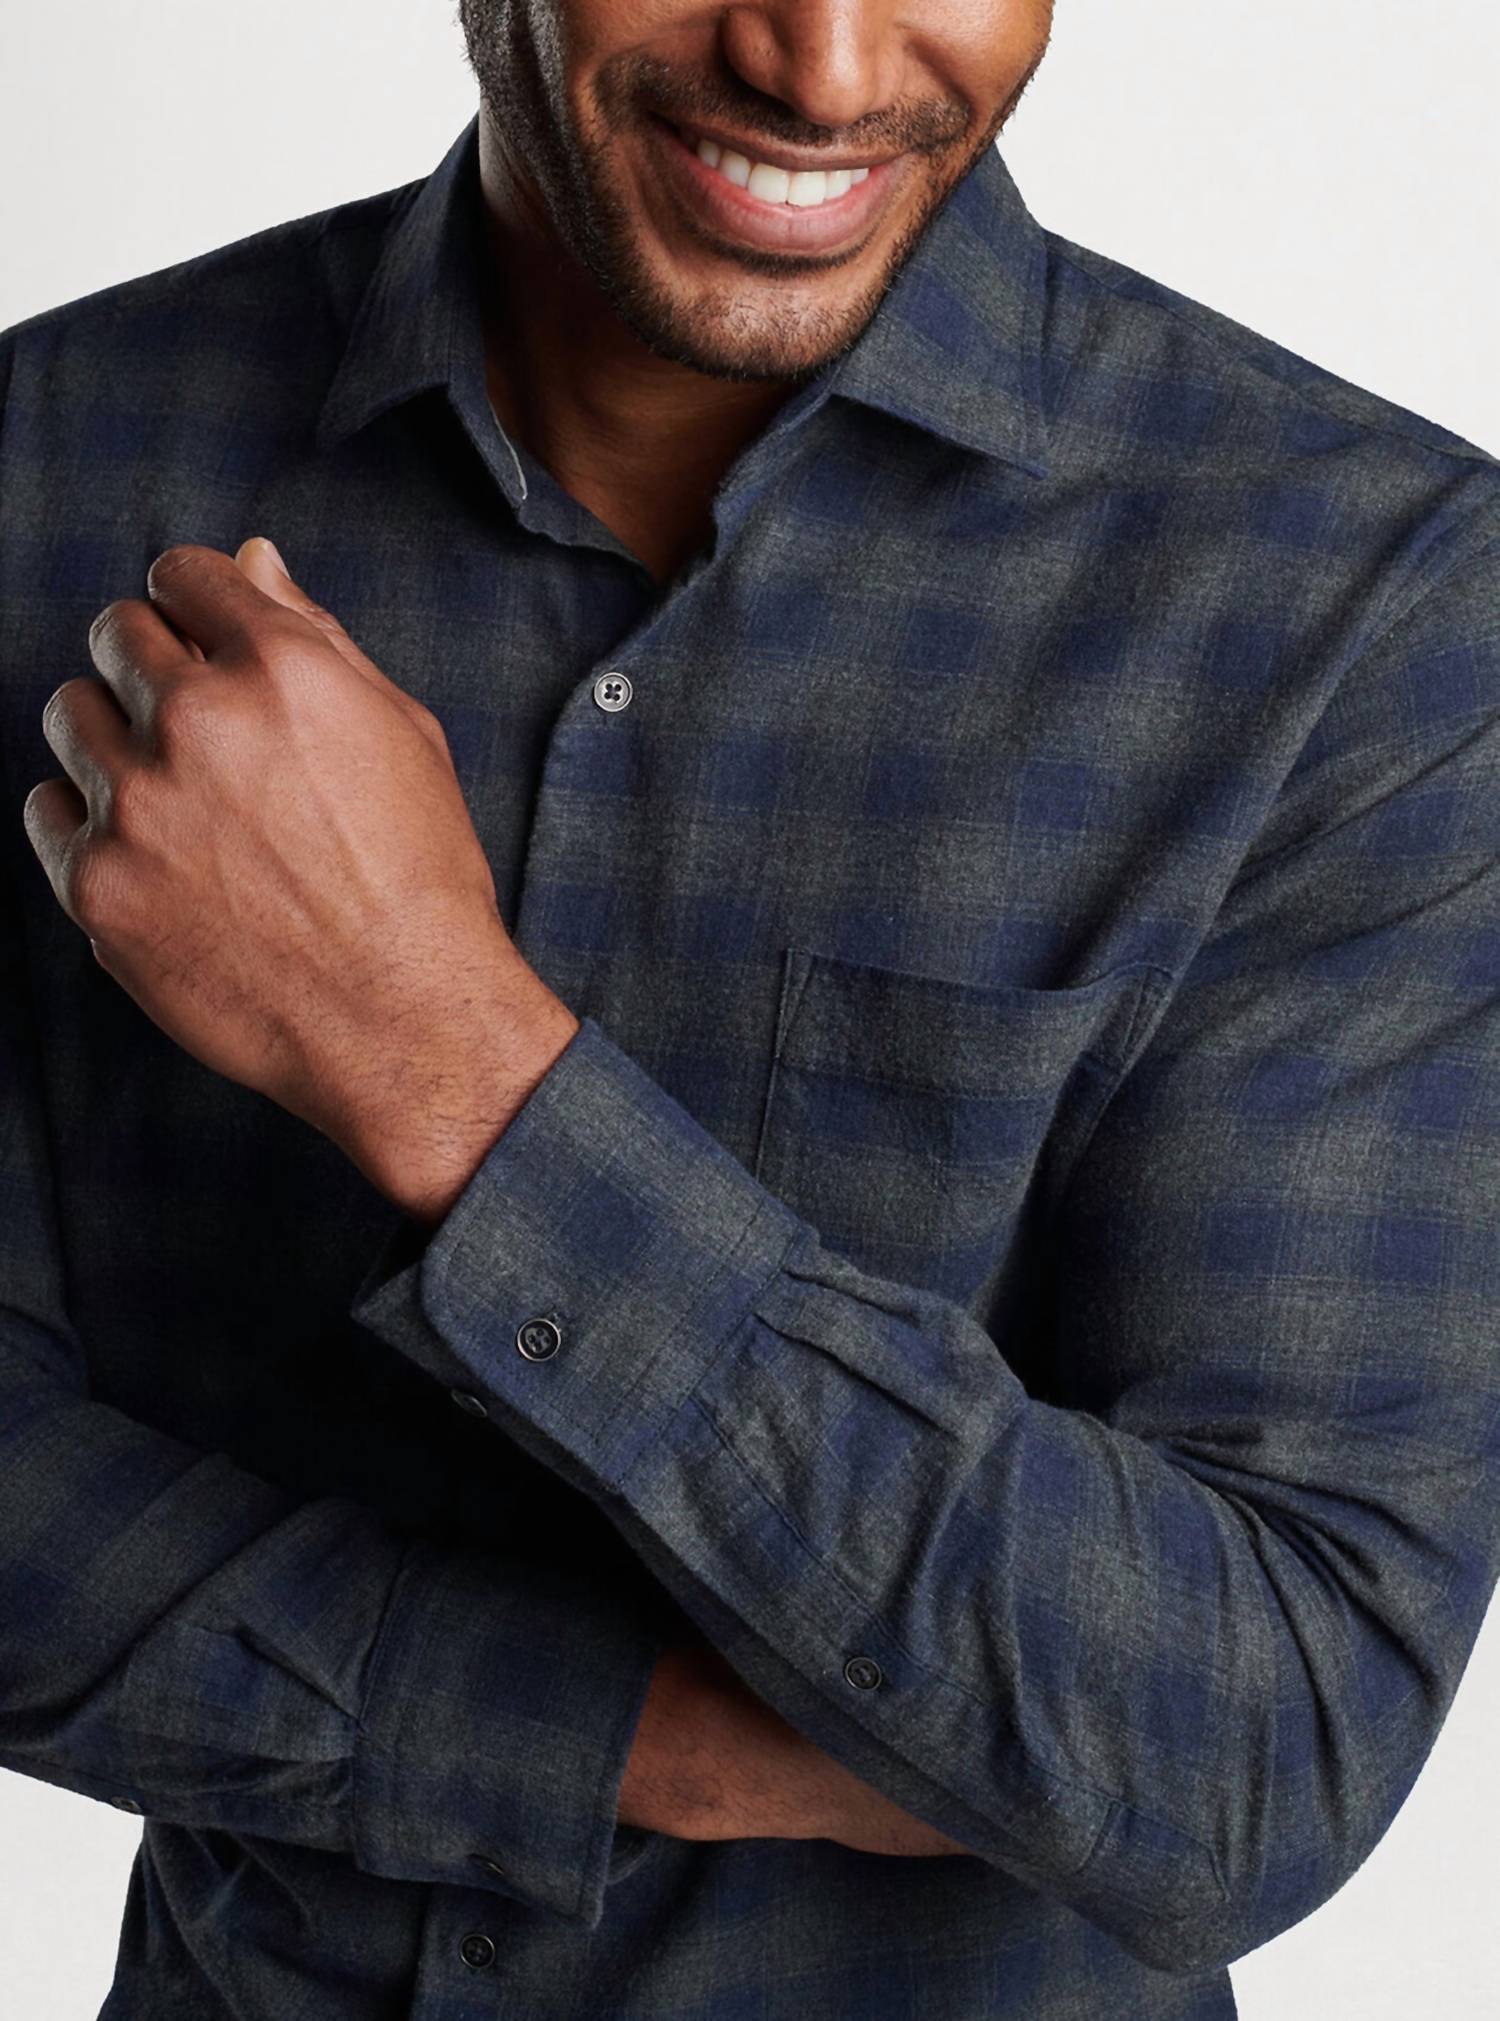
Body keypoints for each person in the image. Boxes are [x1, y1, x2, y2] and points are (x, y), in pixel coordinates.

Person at [2, 2, 1497, 2016]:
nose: (823, 66)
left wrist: (445, 1058)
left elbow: (1249, 1746)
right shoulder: (50, 455)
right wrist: (637, 1741)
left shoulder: (1371, 615)